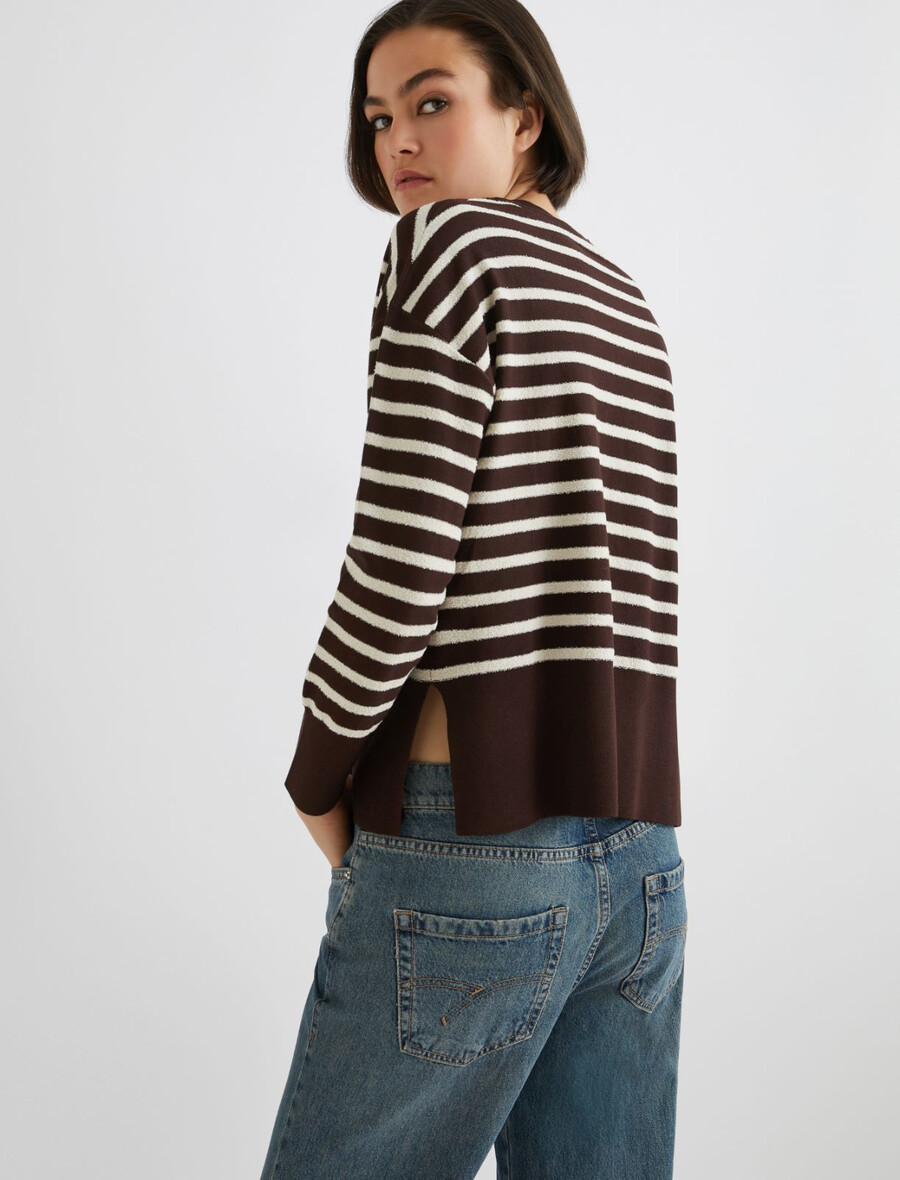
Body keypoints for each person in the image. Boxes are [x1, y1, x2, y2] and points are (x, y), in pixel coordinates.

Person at [261, 2, 687, 1177]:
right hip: (640, 858)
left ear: (526, 117)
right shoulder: (623, 297)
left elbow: (399, 569)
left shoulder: (445, 248)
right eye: (378, 116)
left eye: (433, 102)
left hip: (472, 839)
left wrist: (317, 773)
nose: (398, 140)